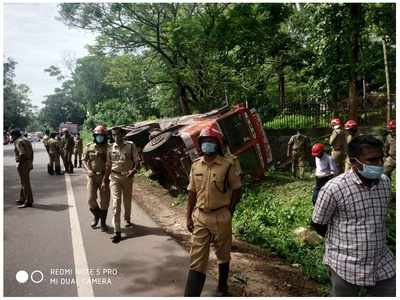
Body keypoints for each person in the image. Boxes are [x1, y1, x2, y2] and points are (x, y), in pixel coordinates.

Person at [312, 135, 395, 297]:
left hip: (380, 259)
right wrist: (342, 243)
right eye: (372, 160)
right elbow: (318, 223)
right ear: (354, 161)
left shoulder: (384, 182)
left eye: (380, 159)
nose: (379, 164)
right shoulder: (334, 189)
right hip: (345, 263)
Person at [184, 125, 242, 297]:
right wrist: (188, 217)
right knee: (197, 260)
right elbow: (191, 192)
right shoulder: (195, 166)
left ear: (217, 144)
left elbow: (237, 189)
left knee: (223, 254)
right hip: (200, 216)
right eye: (204, 142)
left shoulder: (228, 165)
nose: (206, 145)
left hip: (221, 216)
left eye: (210, 142)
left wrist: (229, 210)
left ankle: (222, 287)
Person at [103, 126, 140, 243]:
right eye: (113, 135)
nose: (115, 137)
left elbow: (137, 161)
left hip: (127, 177)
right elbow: (108, 166)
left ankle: (127, 219)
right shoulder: (110, 148)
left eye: (118, 134)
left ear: (122, 135)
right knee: (116, 203)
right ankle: (117, 231)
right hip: (114, 177)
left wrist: (133, 171)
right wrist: (105, 180)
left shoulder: (130, 145)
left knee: (127, 200)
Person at [82, 126, 110, 232]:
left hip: (104, 177)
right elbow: (83, 160)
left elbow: (110, 163)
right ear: (94, 136)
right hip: (92, 177)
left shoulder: (109, 148)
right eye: (97, 135)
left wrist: (106, 178)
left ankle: (103, 223)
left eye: (101, 136)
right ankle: (97, 215)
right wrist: (88, 170)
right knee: (91, 200)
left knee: (104, 201)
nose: (99, 137)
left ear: (104, 136)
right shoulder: (89, 146)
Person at [11, 129, 34, 208]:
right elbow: (31, 152)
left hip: (23, 163)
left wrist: (19, 162)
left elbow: (22, 153)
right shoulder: (26, 140)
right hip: (28, 162)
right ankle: (22, 198)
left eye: (12, 136)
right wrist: (30, 162)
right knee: (24, 182)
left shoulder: (18, 141)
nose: (11, 137)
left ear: (14, 135)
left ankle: (28, 201)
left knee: (25, 183)